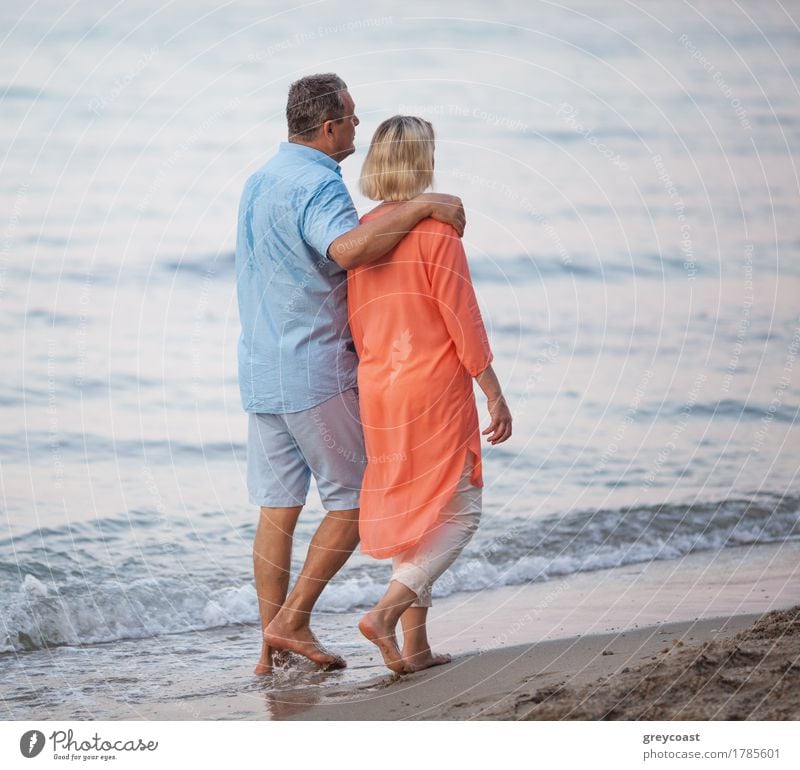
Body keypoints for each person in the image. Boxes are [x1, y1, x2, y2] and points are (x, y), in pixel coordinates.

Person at [235, 74, 468, 675]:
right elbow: (347, 249)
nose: (358, 128)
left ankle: (275, 646)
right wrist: (422, 204)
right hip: (314, 369)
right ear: (330, 125)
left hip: (260, 370)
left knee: (277, 508)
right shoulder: (319, 183)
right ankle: (292, 622)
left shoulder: (259, 179)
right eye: (352, 118)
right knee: (355, 505)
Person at [347, 115, 512, 673]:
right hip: (431, 387)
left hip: (380, 390)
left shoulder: (363, 234)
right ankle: (385, 613)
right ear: (423, 163)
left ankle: (415, 649)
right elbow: (461, 316)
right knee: (461, 512)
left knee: (417, 512)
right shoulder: (437, 231)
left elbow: (358, 326)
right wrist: (492, 390)